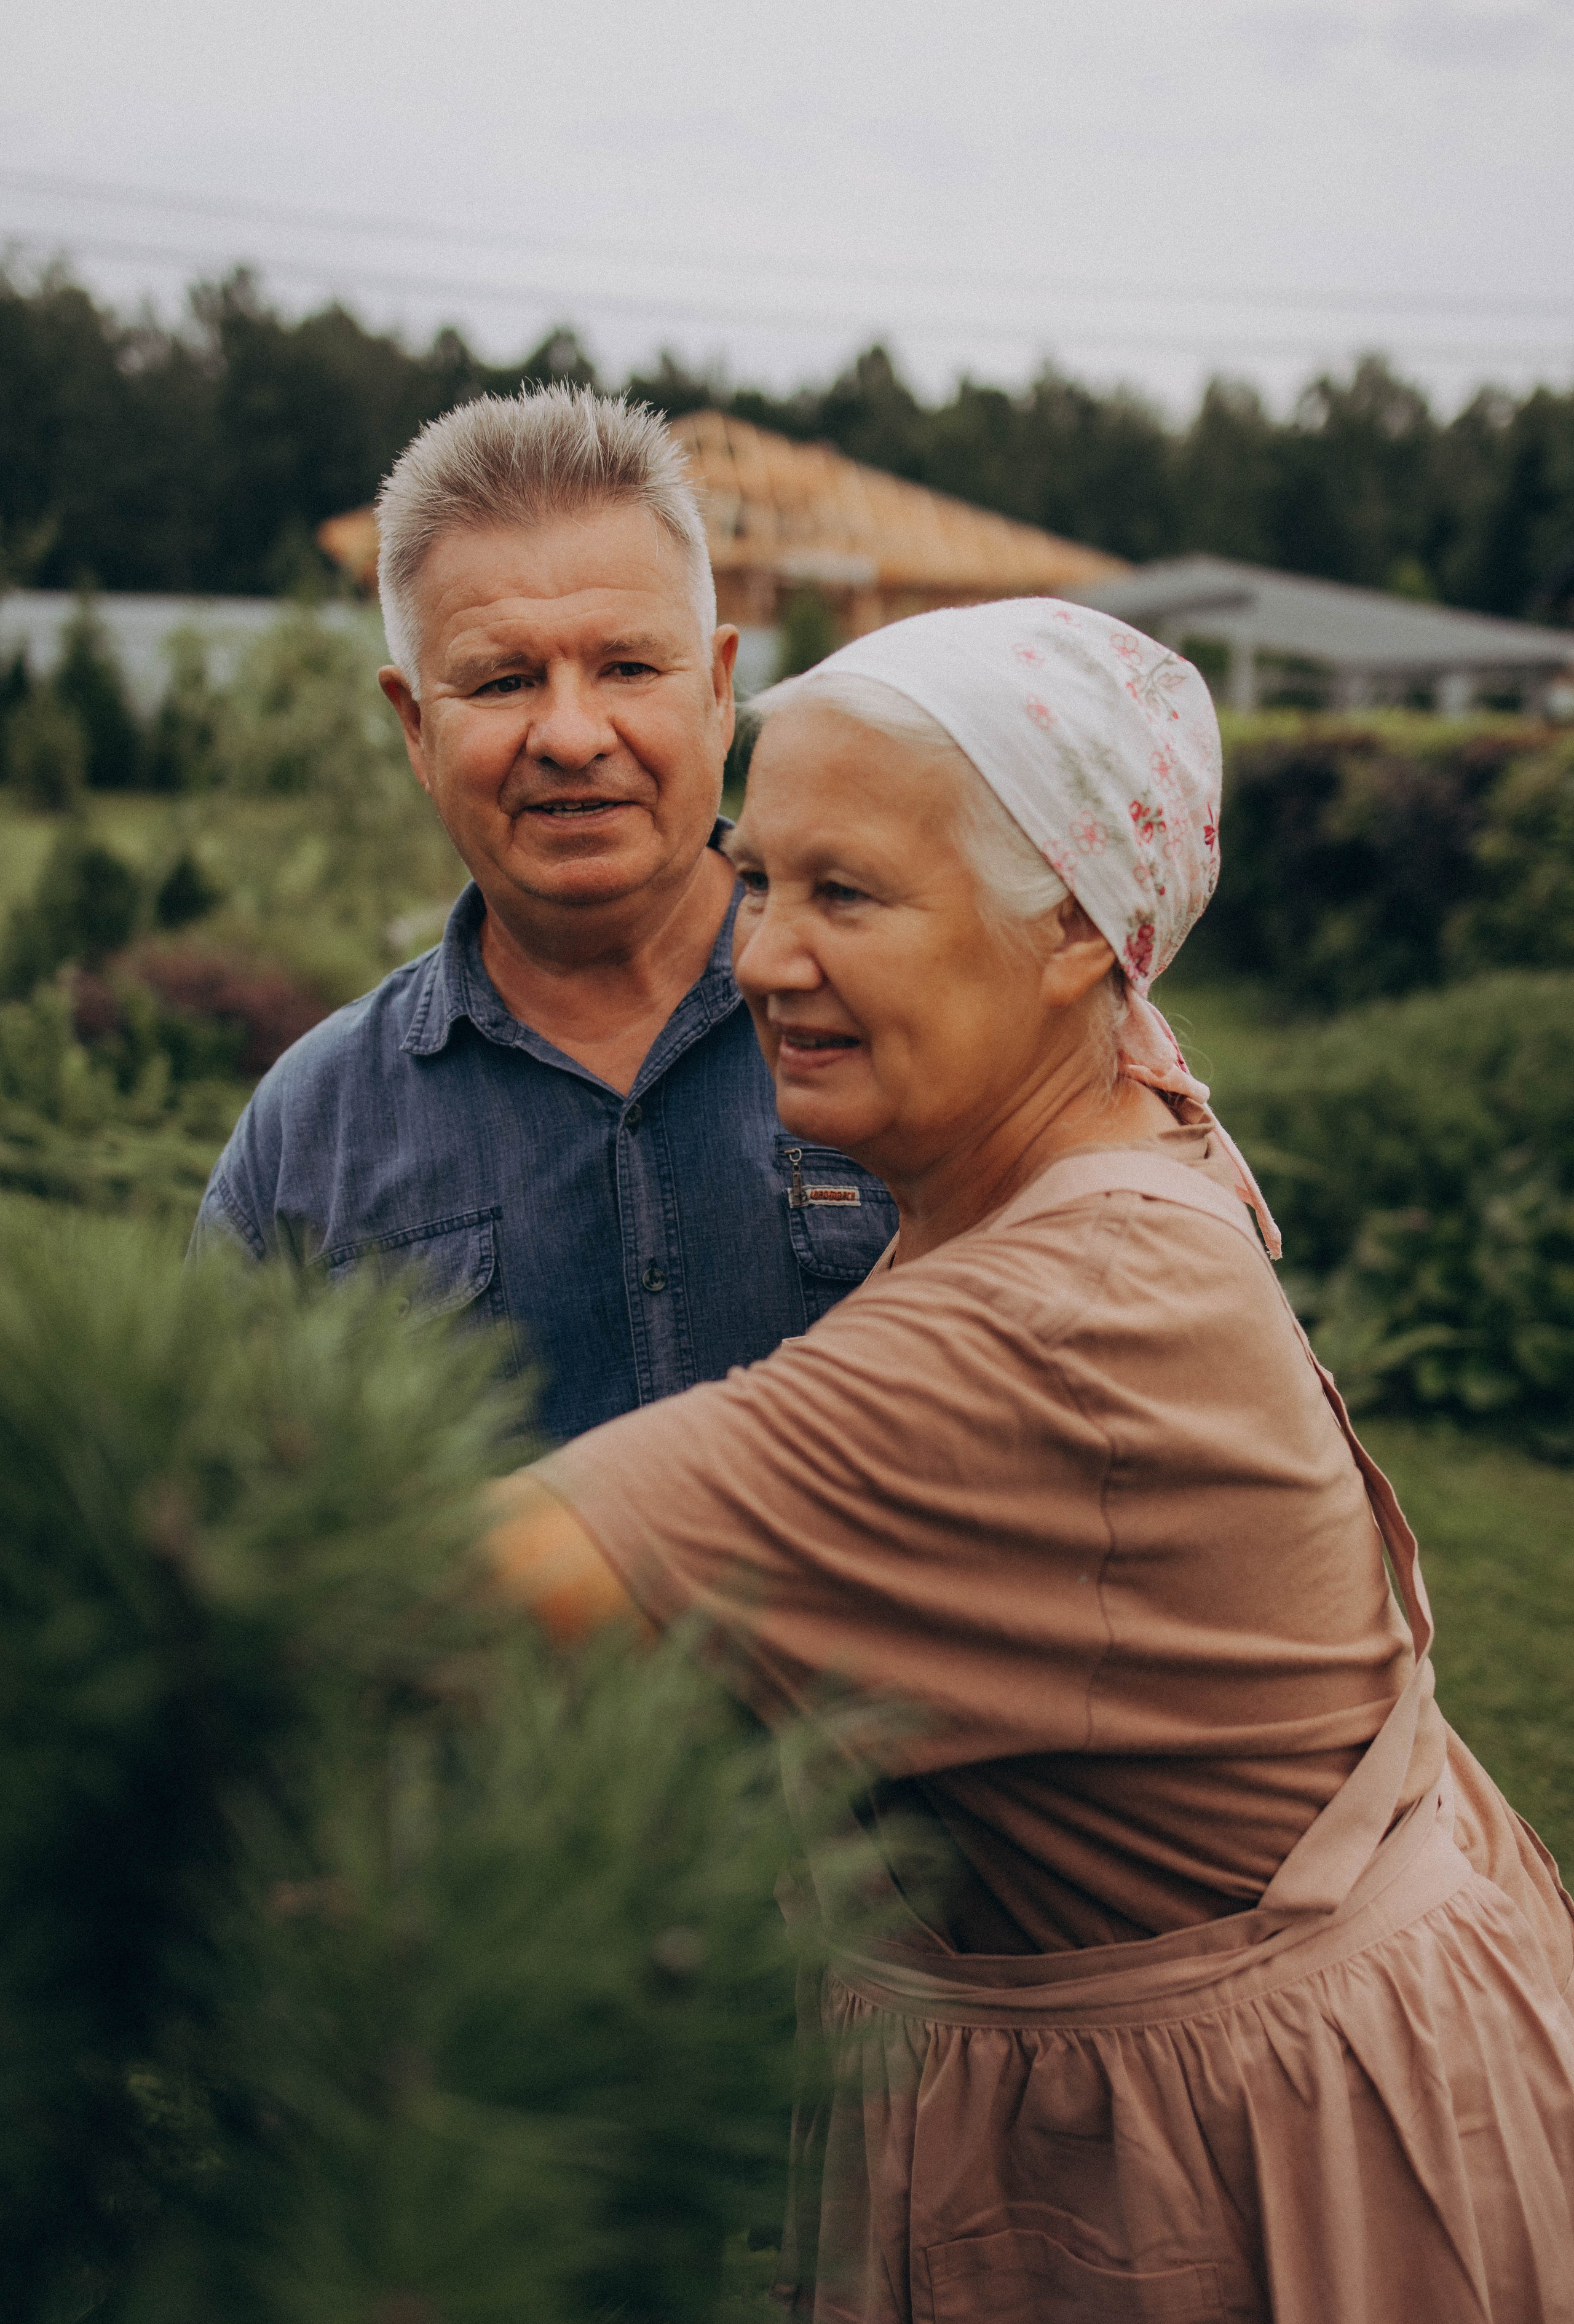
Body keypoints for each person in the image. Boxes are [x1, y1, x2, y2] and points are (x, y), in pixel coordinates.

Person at [486, 598, 1574, 2322]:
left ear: (1075, 925)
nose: (759, 956)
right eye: (759, 877)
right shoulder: (1108, 1131)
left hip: (1260, 2195)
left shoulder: (1068, 1323)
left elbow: (476, 1591)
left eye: (846, 894)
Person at [194, 387, 895, 1440]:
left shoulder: (914, 1006)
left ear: (716, 690)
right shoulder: (309, 1141)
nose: (571, 733)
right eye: (505, 679)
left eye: (626, 665)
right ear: (416, 727)